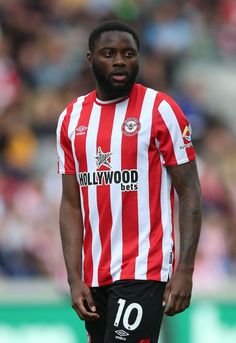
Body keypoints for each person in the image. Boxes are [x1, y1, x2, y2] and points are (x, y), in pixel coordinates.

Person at [56, 20, 202, 343]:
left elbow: (190, 192)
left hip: (144, 269)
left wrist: (185, 270)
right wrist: (74, 277)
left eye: (129, 53)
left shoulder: (160, 110)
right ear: (90, 58)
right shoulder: (70, 119)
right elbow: (70, 203)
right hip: (95, 275)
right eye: (109, 53)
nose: (120, 61)